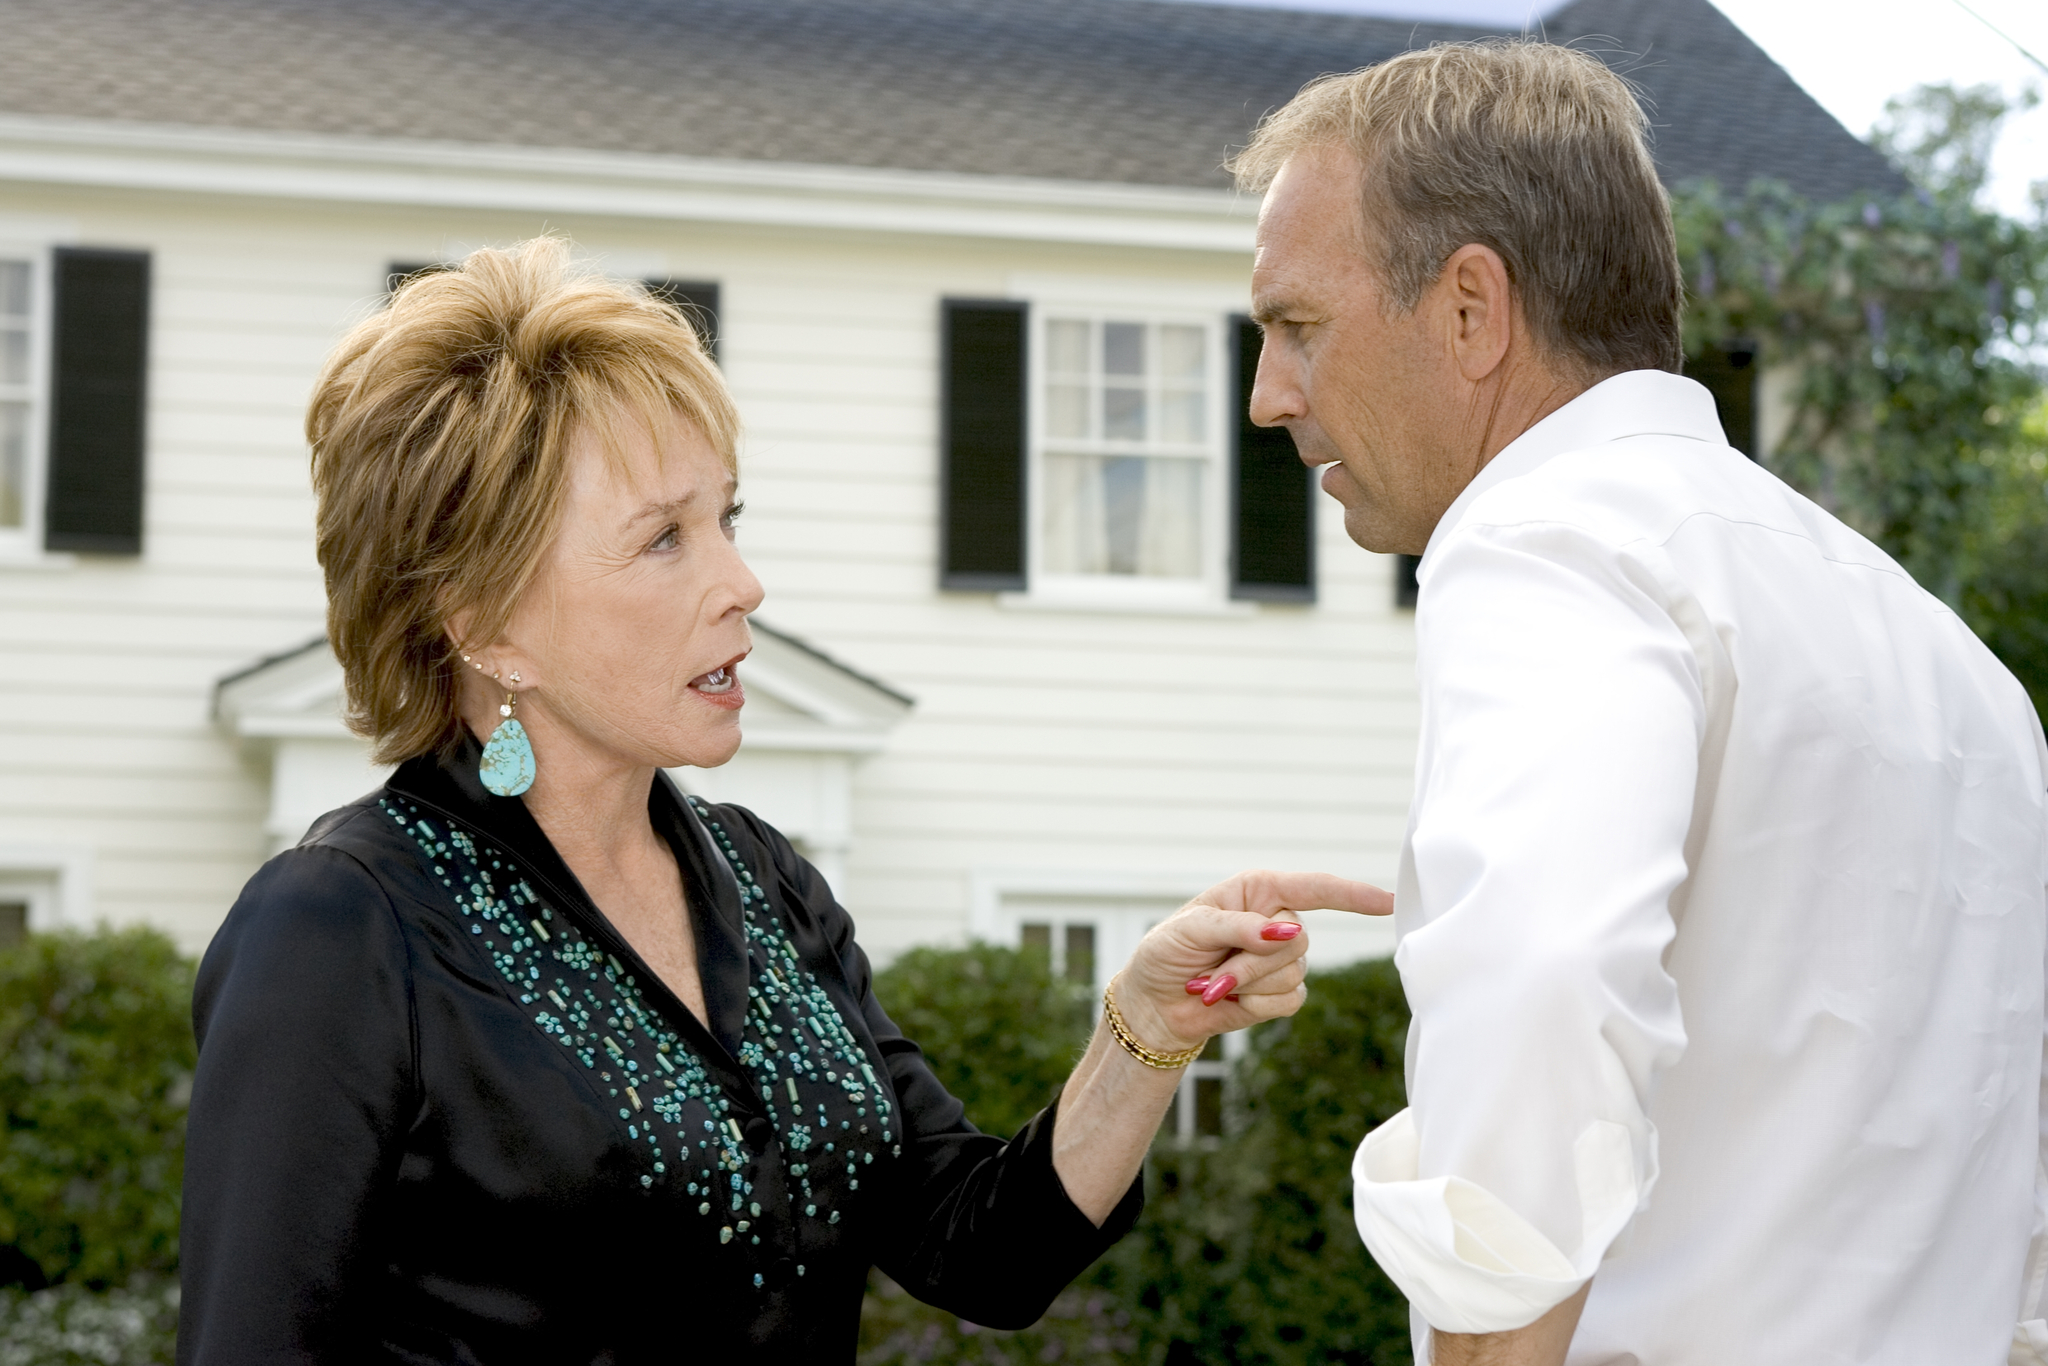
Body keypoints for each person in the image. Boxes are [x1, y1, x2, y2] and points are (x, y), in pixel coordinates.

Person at [175, 239, 1390, 1363]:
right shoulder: (339, 928)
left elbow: (981, 1248)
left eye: (728, 519)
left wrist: (1145, 1030)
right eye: (663, 540)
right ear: (485, 623)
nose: (743, 583)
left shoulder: (761, 880)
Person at [1232, 39, 2048, 1366]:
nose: (1271, 396)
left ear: (1470, 310)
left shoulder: (1546, 540)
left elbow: (1545, 977)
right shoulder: (1944, 653)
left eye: (1299, 326)